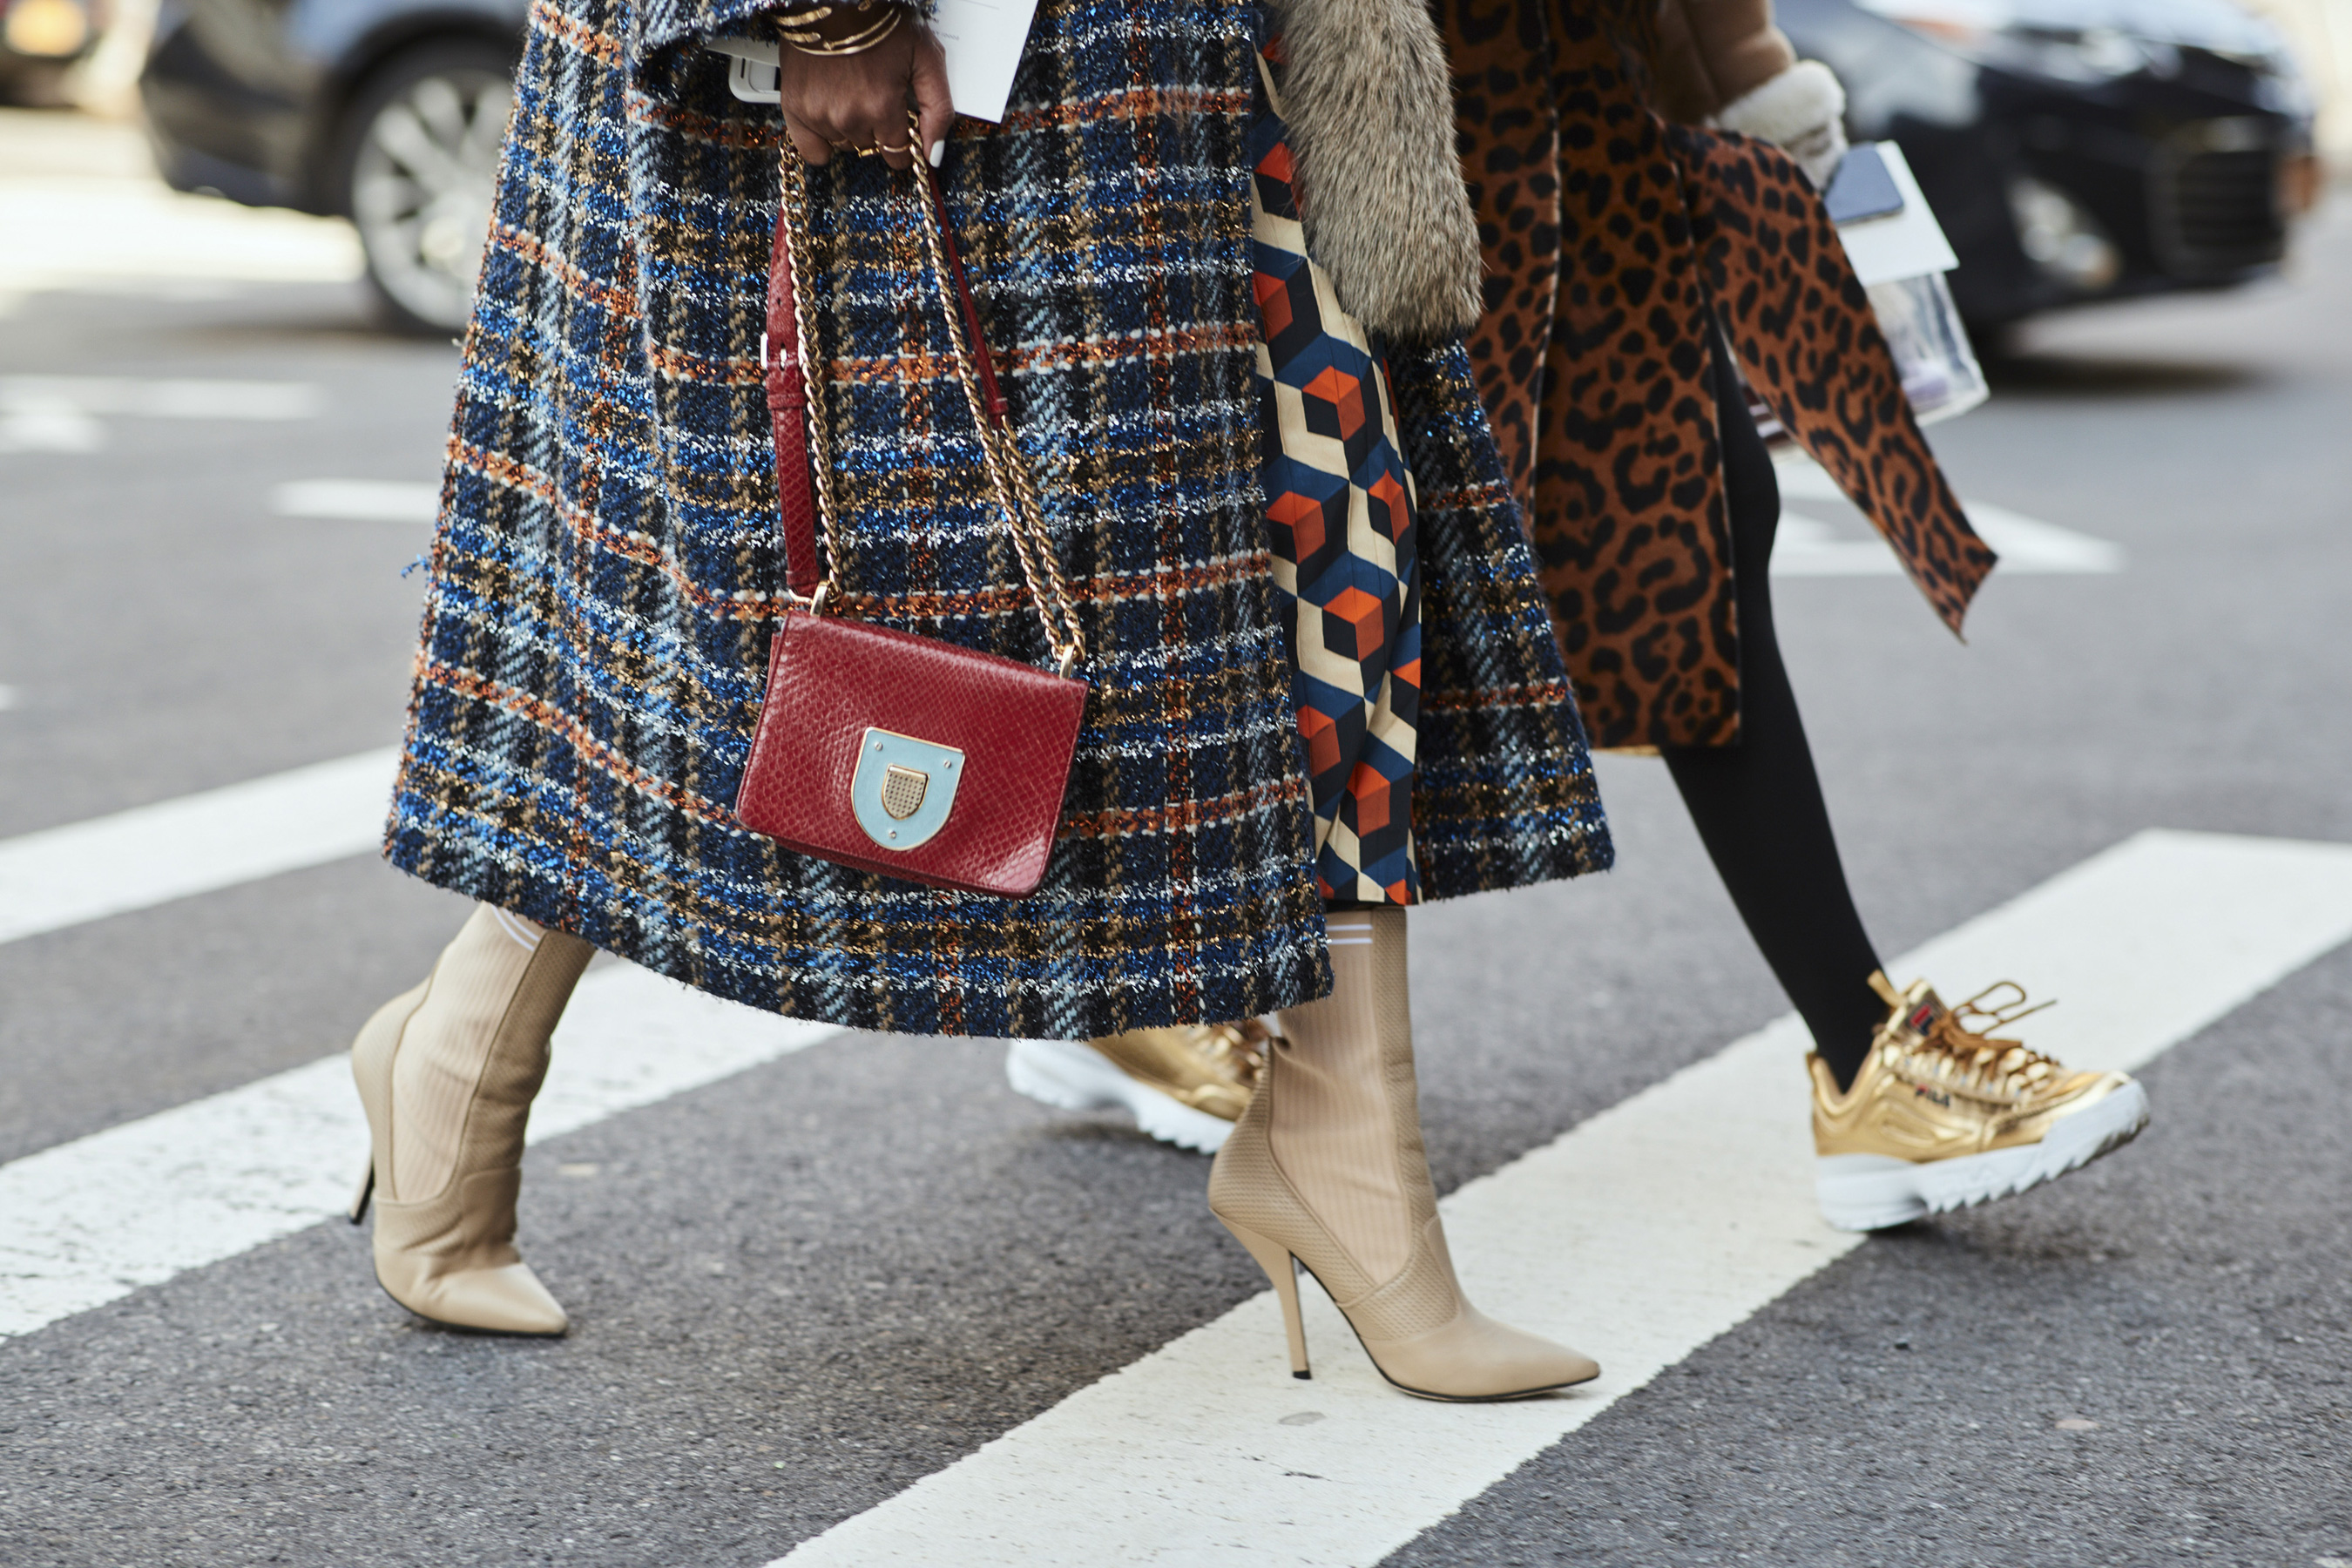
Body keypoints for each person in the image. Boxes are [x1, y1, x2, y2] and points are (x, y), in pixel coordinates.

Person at [347, 0, 1615, 1399]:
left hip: (1190, 49)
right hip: (936, 59)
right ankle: (463, 1046)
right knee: (712, 629)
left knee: (1333, 524)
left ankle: (1344, 1135)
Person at [1017, 0, 2149, 1234]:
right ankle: (1136, 990)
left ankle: (1867, 1057)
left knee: (1701, 527)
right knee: (1281, 573)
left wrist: (1791, 142)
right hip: (1348, 118)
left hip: (1584, 123)